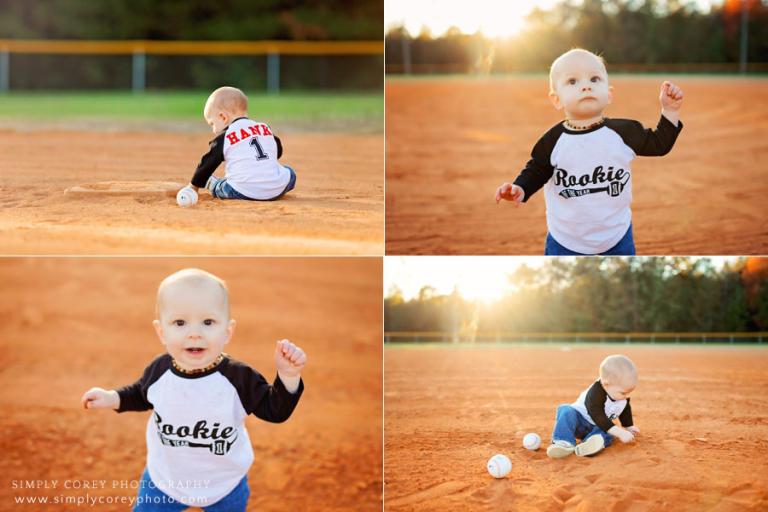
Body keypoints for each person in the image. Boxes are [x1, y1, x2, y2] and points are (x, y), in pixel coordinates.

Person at [81, 268, 307, 511]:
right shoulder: (159, 371)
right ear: (161, 332)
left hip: (224, 485)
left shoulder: (239, 378)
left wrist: (288, 376)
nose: (195, 333)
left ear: (228, 331)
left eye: (208, 322)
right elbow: (140, 394)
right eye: (180, 322)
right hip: (164, 482)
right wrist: (111, 398)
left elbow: (275, 410)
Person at [495, 49, 684, 255]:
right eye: (573, 82)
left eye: (595, 79)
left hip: (616, 237)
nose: (586, 86)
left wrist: (670, 111)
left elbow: (659, 144)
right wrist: (520, 188)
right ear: (556, 99)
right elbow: (537, 170)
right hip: (565, 240)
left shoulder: (625, 132)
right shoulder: (553, 141)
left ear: (609, 94)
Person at [180, 86, 297, 202]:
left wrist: (193, 186)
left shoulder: (225, 136)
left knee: (224, 187)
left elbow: (208, 162)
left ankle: (213, 184)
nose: (214, 130)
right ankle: (273, 184)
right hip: (276, 190)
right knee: (289, 172)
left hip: (241, 191)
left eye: (212, 124)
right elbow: (278, 151)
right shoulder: (264, 127)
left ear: (223, 117)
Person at [547, 354, 639, 458]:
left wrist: (628, 426)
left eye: (628, 392)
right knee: (566, 410)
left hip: (598, 427)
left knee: (608, 434)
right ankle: (563, 442)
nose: (625, 397)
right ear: (606, 384)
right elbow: (597, 415)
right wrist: (620, 432)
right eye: (623, 393)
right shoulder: (595, 393)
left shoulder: (620, 395)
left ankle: (589, 444)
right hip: (579, 422)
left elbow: (624, 408)